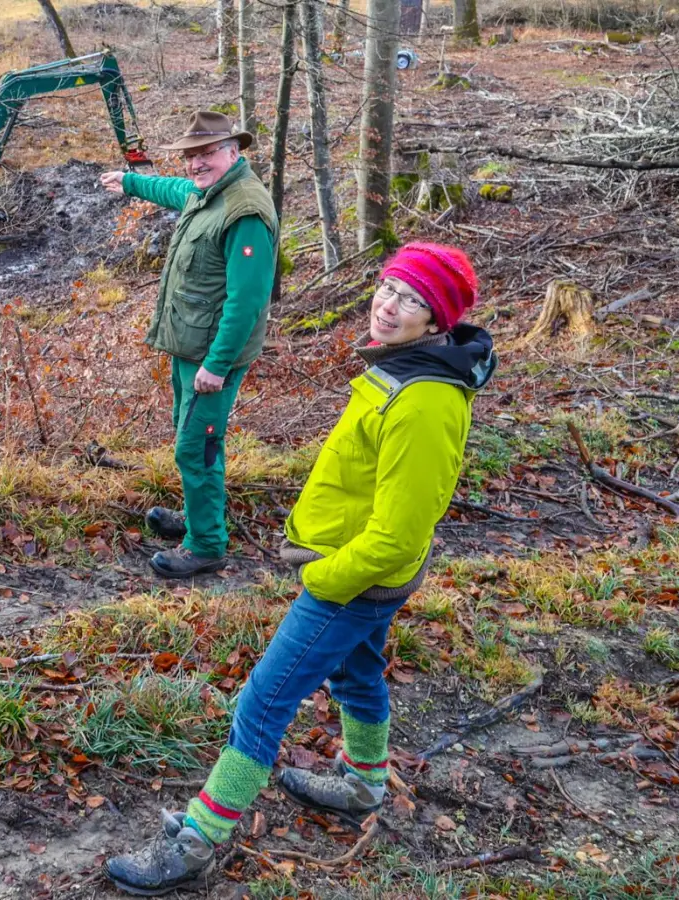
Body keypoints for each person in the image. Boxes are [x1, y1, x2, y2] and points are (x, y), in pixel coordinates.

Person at [102, 243, 496, 896]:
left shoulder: (424, 400)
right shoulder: (404, 369)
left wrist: (324, 579)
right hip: (357, 575)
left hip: (355, 581)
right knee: (357, 672)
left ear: (437, 321)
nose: (389, 304)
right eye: (387, 287)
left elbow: (398, 538)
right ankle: (365, 782)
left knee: (263, 702)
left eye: (411, 300)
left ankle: (199, 839)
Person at [99, 110, 278, 580]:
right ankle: (198, 518)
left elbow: (247, 301)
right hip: (190, 346)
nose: (197, 163)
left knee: (195, 448)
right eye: (191, 155)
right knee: (190, 435)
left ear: (233, 152)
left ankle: (206, 546)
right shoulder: (209, 194)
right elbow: (177, 191)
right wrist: (131, 182)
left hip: (211, 355)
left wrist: (217, 365)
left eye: (207, 153)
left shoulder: (246, 211)